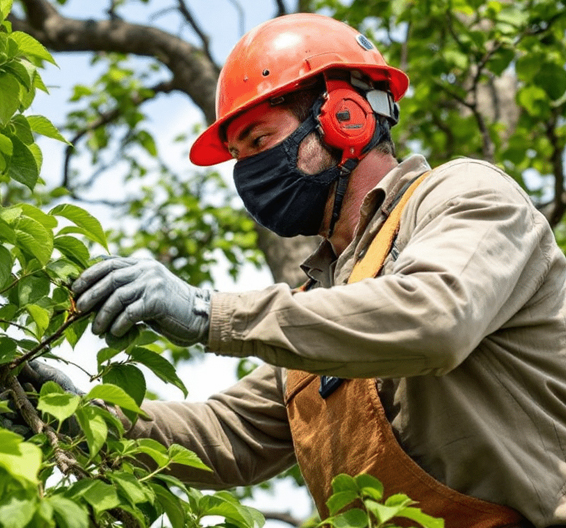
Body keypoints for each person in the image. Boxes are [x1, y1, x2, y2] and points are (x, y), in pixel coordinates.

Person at [62, 13, 566, 527]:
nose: (247, 172)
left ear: (346, 118)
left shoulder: (464, 195)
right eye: (236, 156)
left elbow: (437, 317)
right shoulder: (320, 302)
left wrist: (206, 311)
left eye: (258, 142)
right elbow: (229, 432)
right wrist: (80, 417)